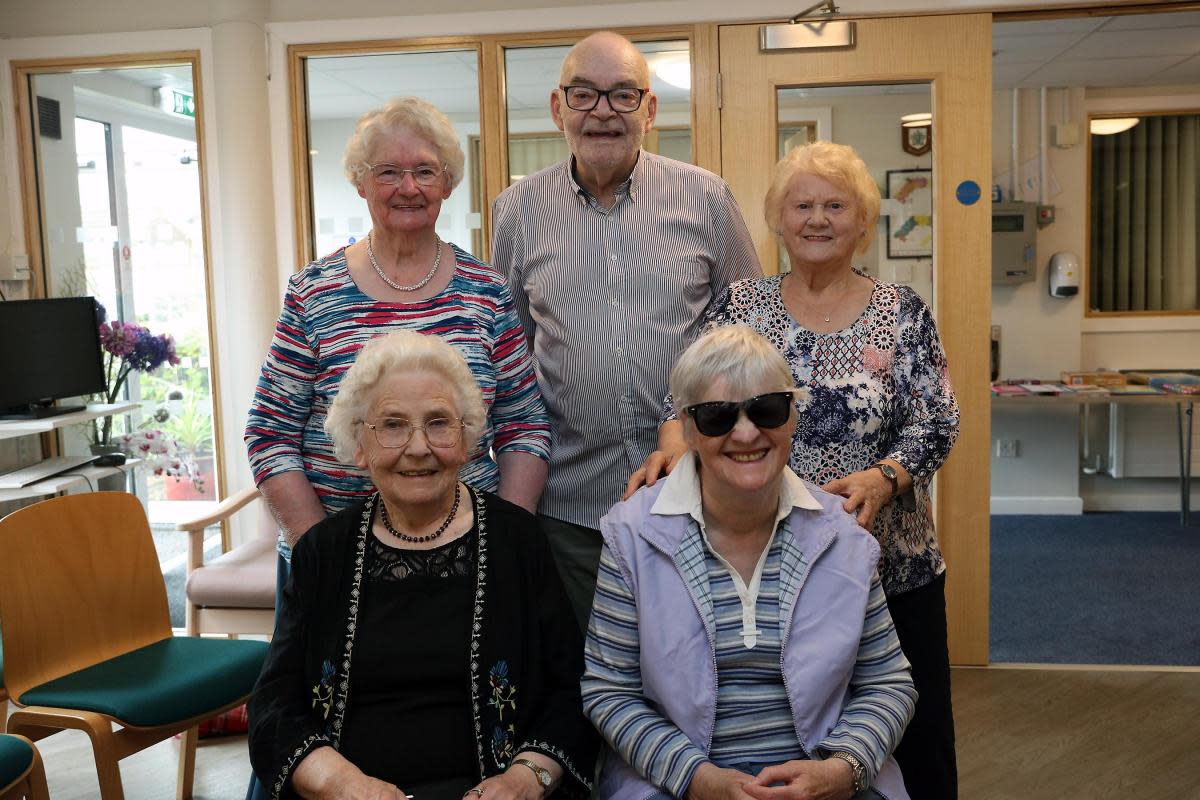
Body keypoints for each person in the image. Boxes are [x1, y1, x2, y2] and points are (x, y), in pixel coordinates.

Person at [629, 141, 961, 800]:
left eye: (835, 205)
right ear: (777, 220)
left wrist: (883, 478)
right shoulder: (743, 304)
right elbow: (685, 395)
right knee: (784, 730)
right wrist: (673, 445)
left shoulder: (902, 310)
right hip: (767, 568)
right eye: (801, 205)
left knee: (911, 735)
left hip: (890, 564)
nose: (817, 219)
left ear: (863, 220)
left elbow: (939, 421)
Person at [248, 330, 596, 800]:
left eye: (438, 423)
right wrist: (341, 784)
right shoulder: (323, 552)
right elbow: (274, 706)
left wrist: (522, 780)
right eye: (392, 425)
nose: (418, 447)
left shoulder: (518, 541)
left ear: (468, 438)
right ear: (359, 445)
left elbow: (570, 692)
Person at [491, 31, 761, 631]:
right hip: (570, 510)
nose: (603, 112)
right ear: (558, 108)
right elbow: (507, 352)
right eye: (584, 95)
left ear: (650, 109)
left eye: (622, 95)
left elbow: (750, 336)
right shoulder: (518, 210)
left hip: (700, 497)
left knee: (690, 671)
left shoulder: (706, 199)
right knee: (586, 684)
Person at [584, 326, 915, 800]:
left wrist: (843, 768)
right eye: (718, 417)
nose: (746, 432)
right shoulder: (631, 535)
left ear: (792, 418)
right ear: (688, 430)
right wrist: (697, 779)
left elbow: (887, 683)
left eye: (767, 409)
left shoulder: (842, 537)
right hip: (677, 786)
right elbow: (609, 691)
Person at [246, 95, 550, 566]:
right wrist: (318, 547)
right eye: (388, 171)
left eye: (426, 171)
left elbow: (524, 425)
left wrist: (507, 537)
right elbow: (270, 433)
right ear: (361, 184)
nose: (408, 187)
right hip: (335, 554)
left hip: (468, 554)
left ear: (447, 183)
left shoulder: (486, 291)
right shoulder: (313, 293)